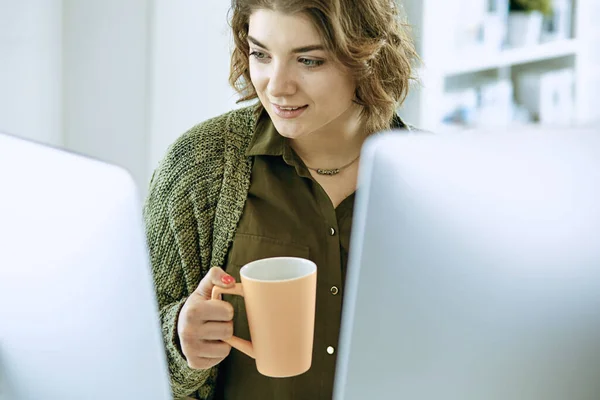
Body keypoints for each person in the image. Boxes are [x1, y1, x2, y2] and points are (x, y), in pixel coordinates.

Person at [143, 0, 418, 398]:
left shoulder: (433, 180)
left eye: (308, 61)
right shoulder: (198, 167)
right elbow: (129, 351)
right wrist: (179, 337)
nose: (276, 85)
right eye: (260, 54)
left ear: (367, 54)